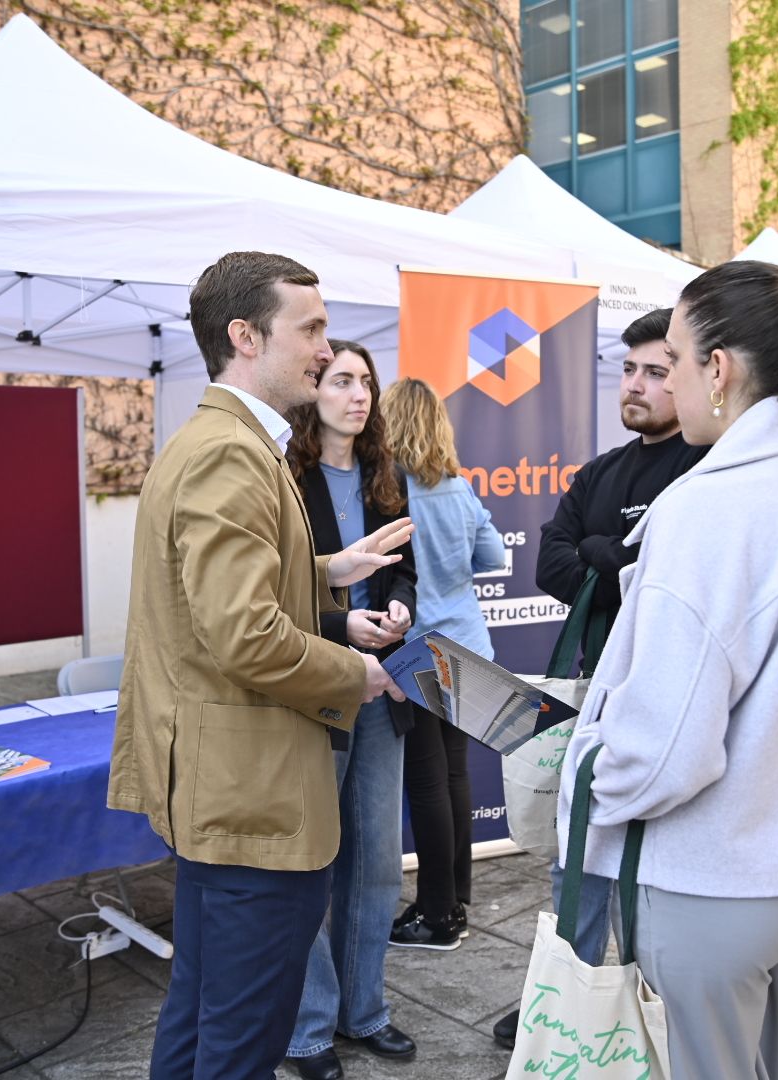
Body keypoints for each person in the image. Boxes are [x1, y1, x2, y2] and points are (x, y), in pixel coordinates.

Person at [559, 262, 778, 1080]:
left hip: (718, 883)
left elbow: (668, 746)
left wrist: (581, 782)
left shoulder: (715, 504)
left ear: (718, 370)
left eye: (673, 359)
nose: (666, 379)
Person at [107, 251, 409, 1080]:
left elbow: (205, 588)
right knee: (240, 1042)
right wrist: (360, 674)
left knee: (205, 1015)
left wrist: (323, 572)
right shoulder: (231, 453)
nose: (325, 347)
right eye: (310, 328)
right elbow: (241, 635)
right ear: (245, 335)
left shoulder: (221, 439)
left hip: (226, 796)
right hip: (253, 801)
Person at [490, 307, 708, 1050]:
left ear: (692, 376)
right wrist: (611, 556)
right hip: (597, 695)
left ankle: (660, 1012)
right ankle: (570, 999)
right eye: (630, 370)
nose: (638, 385)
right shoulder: (600, 472)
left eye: (657, 371)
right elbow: (549, 564)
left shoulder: (706, 469)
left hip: (676, 700)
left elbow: (675, 577)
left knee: (661, 874)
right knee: (576, 860)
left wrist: (600, 553)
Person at [283, 341, 419, 1079]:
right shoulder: (286, 479)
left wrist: (396, 608)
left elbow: (409, 573)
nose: (359, 394)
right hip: (321, 686)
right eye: (342, 380)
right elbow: (278, 594)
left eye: (366, 382)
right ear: (314, 392)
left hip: (383, 688)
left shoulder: (383, 477)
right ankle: (307, 1032)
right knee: (313, 866)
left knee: (374, 867)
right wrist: (345, 628)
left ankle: (363, 1012)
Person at [378, 377, 506, 952]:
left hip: (419, 647)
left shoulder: (389, 492)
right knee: (454, 777)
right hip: (469, 641)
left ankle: (435, 913)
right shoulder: (457, 487)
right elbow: (494, 556)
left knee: (428, 783)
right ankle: (454, 902)